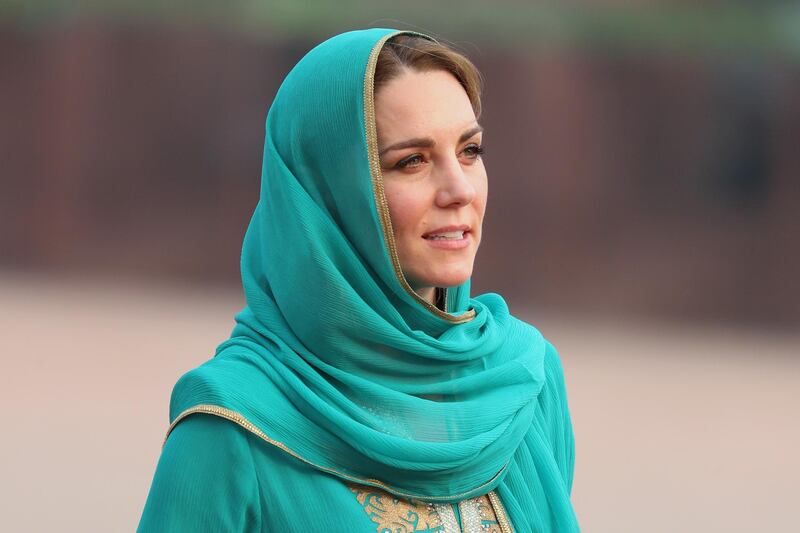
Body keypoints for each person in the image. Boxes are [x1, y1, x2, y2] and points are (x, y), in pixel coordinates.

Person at [137, 28, 579, 532]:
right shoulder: (231, 426)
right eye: (411, 161)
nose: (459, 189)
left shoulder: (524, 380)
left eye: (470, 150)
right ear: (329, 194)